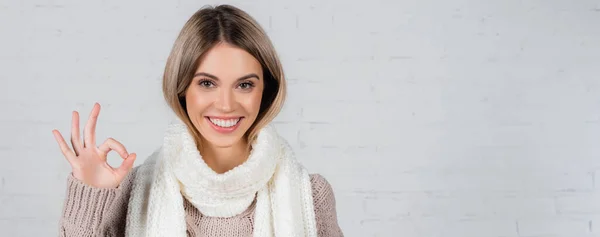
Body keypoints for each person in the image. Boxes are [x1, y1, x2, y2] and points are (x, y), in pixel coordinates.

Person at [52, 4, 343, 237]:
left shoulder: (310, 195)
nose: (226, 105)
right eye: (207, 83)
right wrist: (90, 198)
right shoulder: (131, 190)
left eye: (245, 85)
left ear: (265, 91)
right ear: (182, 89)